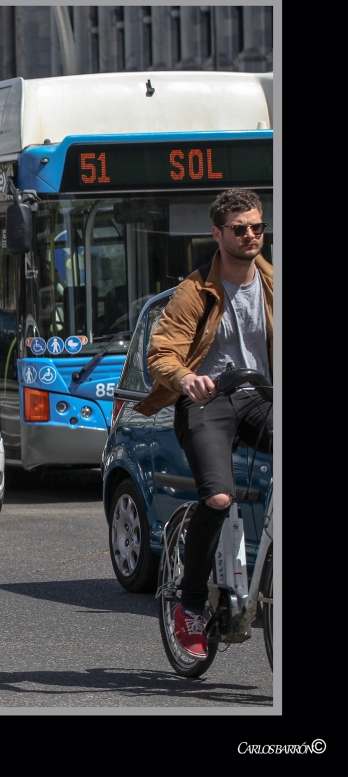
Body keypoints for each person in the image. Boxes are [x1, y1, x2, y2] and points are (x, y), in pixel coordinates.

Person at [141, 188, 273, 660]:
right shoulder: (195, 290)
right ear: (218, 234)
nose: (251, 235)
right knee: (217, 498)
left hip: (262, 397)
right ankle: (191, 605)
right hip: (208, 401)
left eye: (258, 226)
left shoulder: (273, 282)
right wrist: (185, 378)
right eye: (240, 229)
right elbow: (163, 352)